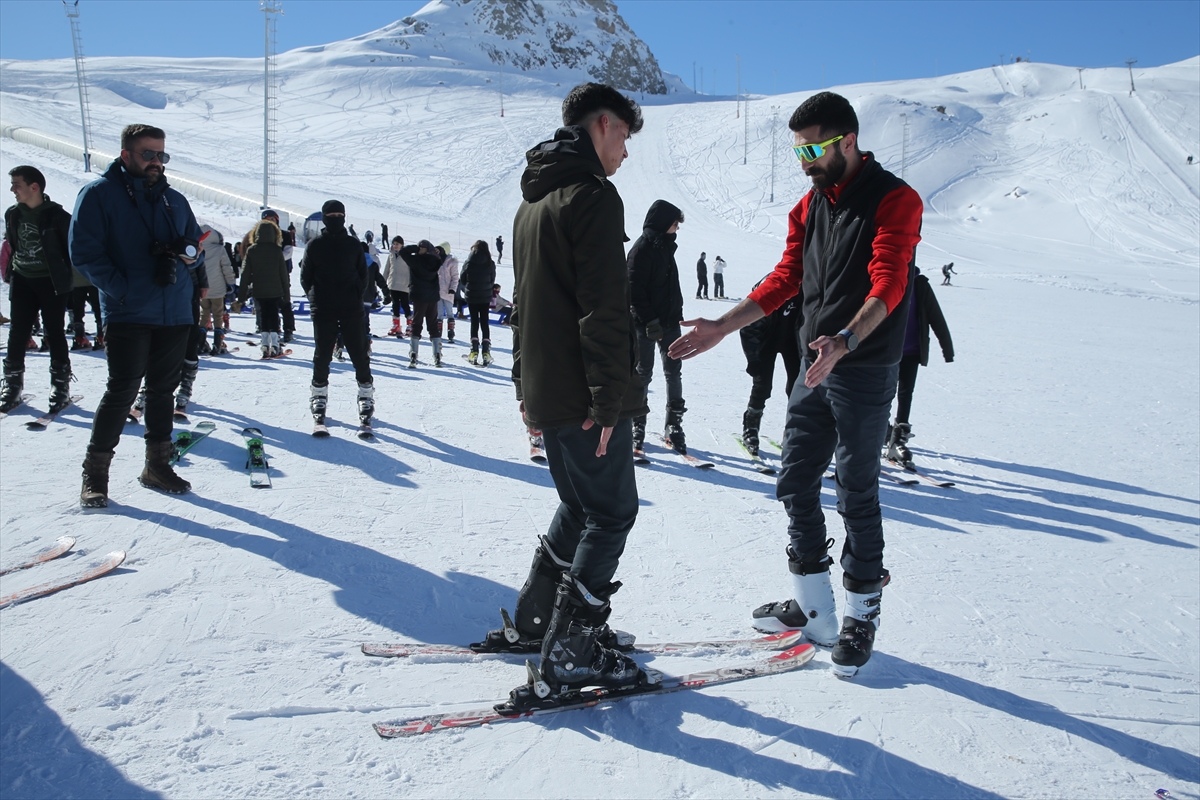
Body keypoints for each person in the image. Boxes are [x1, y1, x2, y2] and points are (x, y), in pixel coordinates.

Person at [667, 92, 923, 677]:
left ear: (847, 142)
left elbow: (889, 280)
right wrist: (724, 326)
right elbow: (787, 277)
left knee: (856, 488)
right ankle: (814, 607)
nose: (804, 159)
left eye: (813, 147)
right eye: (798, 149)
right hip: (815, 366)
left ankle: (861, 613)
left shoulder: (895, 199)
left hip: (860, 366)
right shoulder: (810, 207)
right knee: (794, 482)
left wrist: (847, 341)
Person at [474, 82, 651, 708]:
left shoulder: (534, 199)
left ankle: (536, 620)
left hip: (550, 386)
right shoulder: (591, 197)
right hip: (584, 390)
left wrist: (526, 382)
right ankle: (571, 651)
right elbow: (602, 308)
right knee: (611, 511)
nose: (625, 153)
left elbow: (525, 307)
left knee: (580, 505)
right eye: (625, 137)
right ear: (603, 124)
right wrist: (610, 400)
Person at [70, 124, 204, 506]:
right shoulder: (99, 195)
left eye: (162, 155)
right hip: (129, 310)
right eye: (149, 154)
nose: (157, 162)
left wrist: (189, 254)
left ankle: (156, 467)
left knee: (163, 392)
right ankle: (95, 474)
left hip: (175, 311)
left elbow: (196, 247)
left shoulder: (174, 200)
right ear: (126, 155)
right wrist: (124, 290)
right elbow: (84, 252)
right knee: (123, 389)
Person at [1, 165, 74, 414]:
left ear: (35, 187)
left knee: (54, 333)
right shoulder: (13, 214)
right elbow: (12, 243)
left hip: (51, 281)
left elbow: (71, 251)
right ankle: (12, 385)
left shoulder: (58, 217)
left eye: (17, 184)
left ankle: (60, 385)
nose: (12, 189)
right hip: (23, 279)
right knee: (18, 333)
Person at [300, 201, 374, 428]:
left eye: (338, 215)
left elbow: (363, 277)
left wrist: (352, 295)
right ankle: (319, 394)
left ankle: (366, 394)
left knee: (358, 353)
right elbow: (305, 278)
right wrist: (317, 299)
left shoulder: (353, 245)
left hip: (351, 307)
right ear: (323, 218)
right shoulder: (314, 246)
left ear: (344, 217)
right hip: (324, 308)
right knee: (322, 355)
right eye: (330, 215)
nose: (335, 218)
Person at [627, 199, 687, 453]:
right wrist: (650, 321)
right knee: (644, 373)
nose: (677, 229)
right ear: (663, 223)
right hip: (645, 325)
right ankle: (636, 423)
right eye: (675, 224)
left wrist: (677, 314)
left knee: (674, 371)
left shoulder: (666, 246)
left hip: (671, 322)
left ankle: (673, 424)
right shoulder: (641, 250)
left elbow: (670, 288)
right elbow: (633, 290)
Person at [886, 267, 953, 469]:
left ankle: (898, 440)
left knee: (905, 394)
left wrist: (947, 350)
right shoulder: (885, 278)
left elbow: (936, 317)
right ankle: (881, 432)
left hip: (912, 352)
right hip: (885, 352)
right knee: (881, 394)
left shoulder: (920, 284)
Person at [738, 276, 802, 457]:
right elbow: (748, 325)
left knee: (798, 389)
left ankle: (793, 432)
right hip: (766, 340)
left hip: (794, 342)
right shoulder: (771, 284)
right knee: (762, 385)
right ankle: (751, 427)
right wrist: (752, 358)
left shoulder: (813, 284)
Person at [236, 218, 289, 358]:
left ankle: (265, 344)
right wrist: (287, 296)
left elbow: (245, 275)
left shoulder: (252, 250)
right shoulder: (277, 251)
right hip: (275, 290)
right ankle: (275, 345)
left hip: (259, 290)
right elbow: (283, 274)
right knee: (273, 316)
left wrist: (241, 298)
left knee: (263, 316)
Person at [398, 239, 444, 368]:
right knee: (433, 324)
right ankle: (437, 355)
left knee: (416, 324)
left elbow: (403, 251)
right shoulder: (436, 261)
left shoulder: (415, 260)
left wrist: (416, 249)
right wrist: (436, 250)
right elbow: (444, 254)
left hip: (419, 296)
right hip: (433, 296)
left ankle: (413, 353)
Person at [258, 209, 296, 342]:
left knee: (284, 303)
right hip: (264, 275)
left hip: (281, 274)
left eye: (272, 220)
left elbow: (289, 252)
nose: (270, 222)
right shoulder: (258, 236)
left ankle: (288, 329)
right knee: (265, 304)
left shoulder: (284, 235)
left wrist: (273, 258)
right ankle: (266, 329)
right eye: (266, 220)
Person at [198, 224, 235, 355]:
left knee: (203, 314)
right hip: (218, 288)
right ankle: (217, 344)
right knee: (218, 314)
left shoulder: (198, 248)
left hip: (202, 288)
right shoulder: (219, 249)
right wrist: (231, 282)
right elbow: (226, 267)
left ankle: (200, 343)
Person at [460, 239, 496, 366]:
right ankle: (486, 352)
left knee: (474, 322)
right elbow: (492, 280)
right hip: (485, 296)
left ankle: (474, 352)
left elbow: (463, 279)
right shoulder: (490, 263)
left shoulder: (469, 262)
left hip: (472, 296)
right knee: (485, 322)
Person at [68, 266, 103, 351]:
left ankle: (79, 337)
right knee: (98, 307)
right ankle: (101, 336)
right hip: (93, 277)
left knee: (77, 308)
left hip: (76, 278)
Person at [382, 235, 411, 338]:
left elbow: (411, 269)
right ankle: (396, 325)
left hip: (404, 284)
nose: (395, 246)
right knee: (395, 305)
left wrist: (411, 282)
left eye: (397, 244)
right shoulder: (391, 255)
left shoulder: (406, 255)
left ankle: (410, 324)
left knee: (405, 304)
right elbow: (387, 269)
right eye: (394, 244)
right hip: (393, 284)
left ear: (401, 245)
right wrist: (383, 282)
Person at [436, 242, 459, 343]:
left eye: (439, 250)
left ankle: (451, 332)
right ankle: (438, 332)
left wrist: (453, 288)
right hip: (438, 291)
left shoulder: (452, 262)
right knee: (439, 313)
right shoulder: (436, 261)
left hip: (448, 292)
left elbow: (455, 277)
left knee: (450, 312)